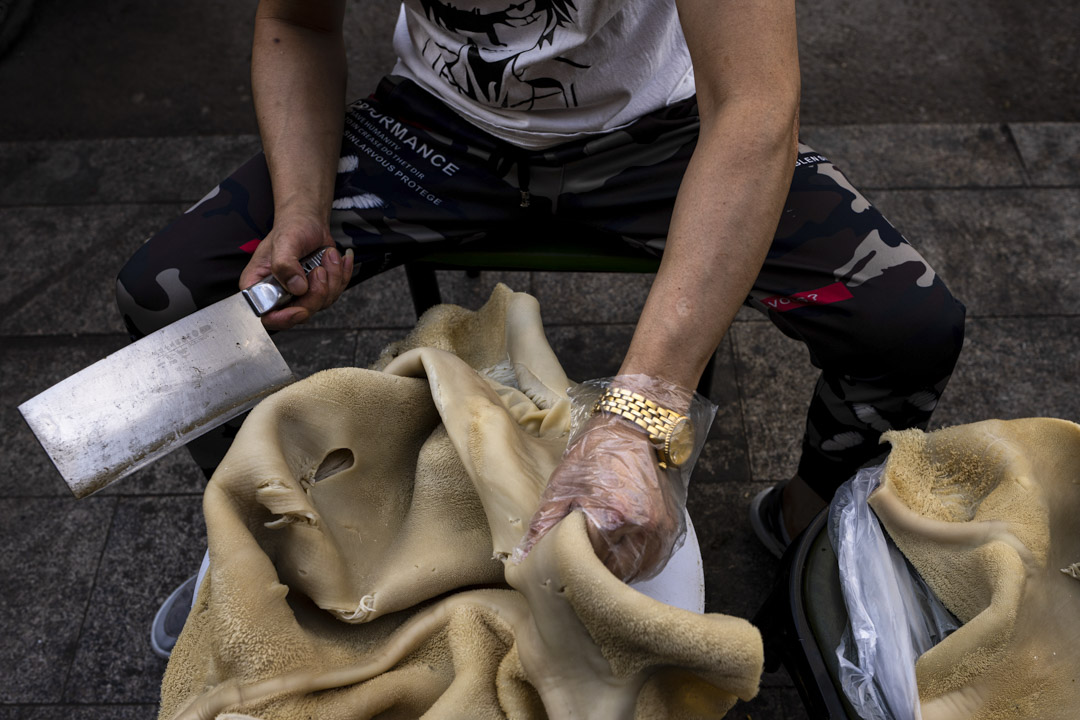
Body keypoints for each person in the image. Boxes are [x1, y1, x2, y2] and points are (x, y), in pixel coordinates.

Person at [120, 0, 965, 656]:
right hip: (433, 130)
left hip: (663, 134)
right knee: (170, 304)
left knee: (907, 324)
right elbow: (295, 21)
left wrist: (642, 410)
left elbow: (755, 110)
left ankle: (803, 534)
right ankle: (261, 540)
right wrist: (302, 206)